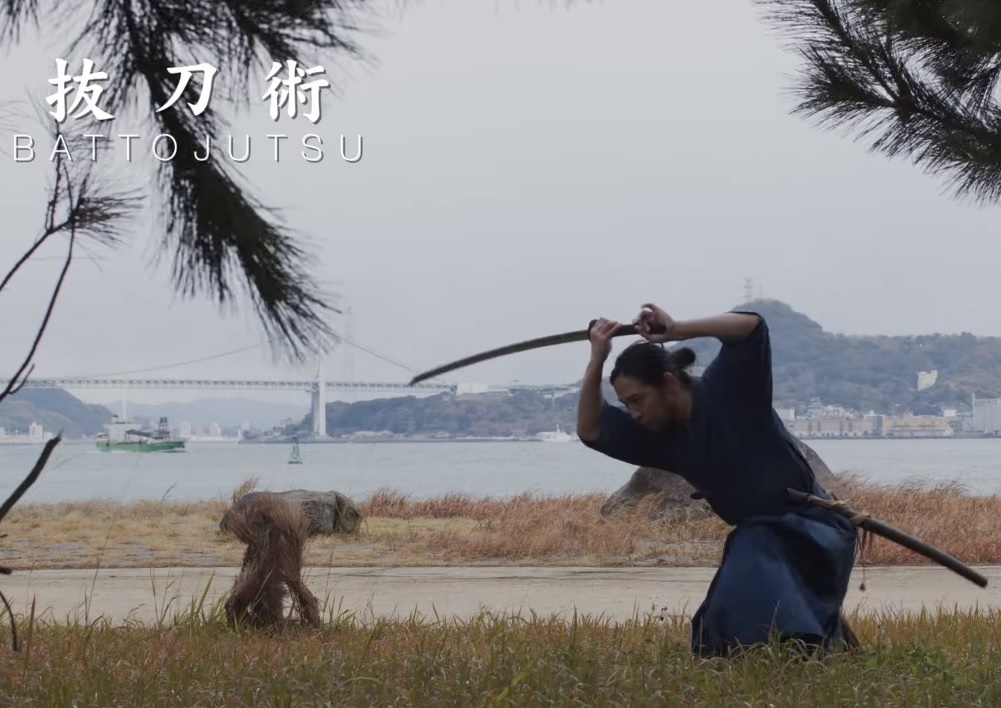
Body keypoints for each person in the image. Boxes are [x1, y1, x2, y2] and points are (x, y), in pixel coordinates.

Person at [577, 303, 859, 657]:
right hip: (760, 542)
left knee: (747, 603)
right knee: (717, 630)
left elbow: (752, 327)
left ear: (667, 383)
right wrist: (597, 359)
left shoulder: (731, 391)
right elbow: (590, 428)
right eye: (625, 404)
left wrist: (677, 328)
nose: (633, 412)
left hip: (815, 529)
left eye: (638, 400)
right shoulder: (656, 436)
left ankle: (806, 650)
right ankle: (823, 644)